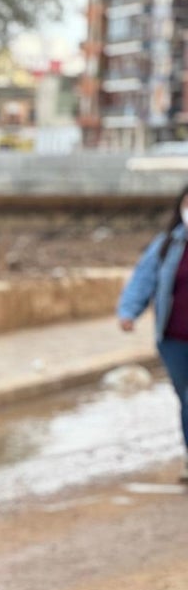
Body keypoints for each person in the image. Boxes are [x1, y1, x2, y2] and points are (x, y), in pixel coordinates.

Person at [118, 184, 188, 482]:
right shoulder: (167, 245)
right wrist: (128, 312)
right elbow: (144, 278)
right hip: (173, 340)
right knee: (185, 398)